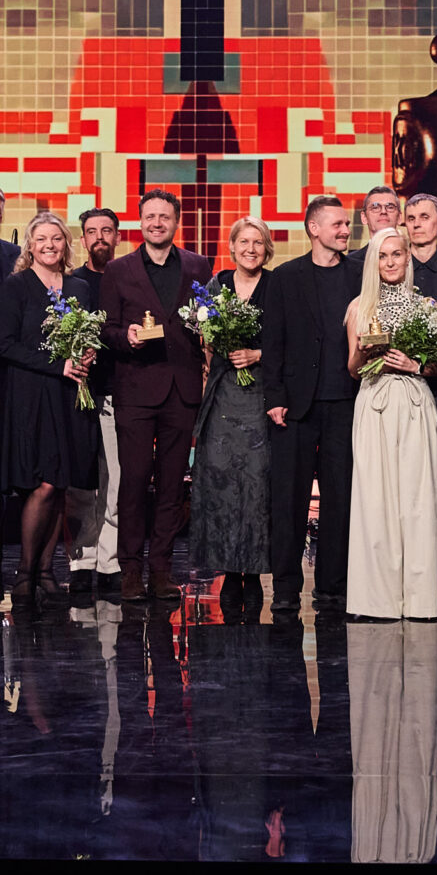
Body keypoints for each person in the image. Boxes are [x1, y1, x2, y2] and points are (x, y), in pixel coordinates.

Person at [99, 189, 212, 599]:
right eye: (150, 216)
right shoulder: (118, 270)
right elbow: (106, 328)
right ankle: (130, 569)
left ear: (176, 222)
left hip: (182, 390)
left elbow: (207, 319)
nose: (157, 223)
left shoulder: (199, 265)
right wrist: (125, 337)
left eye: (164, 217)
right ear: (140, 221)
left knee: (171, 485)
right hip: (135, 388)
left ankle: (161, 568)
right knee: (133, 482)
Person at [0, 212, 100, 606]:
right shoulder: (16, 286)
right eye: (41, 239)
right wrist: (58, 365)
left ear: (66, 244)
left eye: (56, 238)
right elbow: (6, 345)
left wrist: (88, 352)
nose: (49, 245)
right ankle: (25, 571)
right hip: (32, 394)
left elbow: (87, 332)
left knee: (62, 484)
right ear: (30, 245)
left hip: (70, 395)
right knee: (43, 484)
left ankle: (46, 571)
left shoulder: (79, 287)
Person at [263, 196, 361, 612]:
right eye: (337, 224)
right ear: (313, 228)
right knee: (289, 499)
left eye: (346, 224)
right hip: (295, 407)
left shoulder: (360, 274)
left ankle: (332, 586)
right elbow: (273, 340)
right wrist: (274, 397)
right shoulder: (286, 277)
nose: (345, 231)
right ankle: (285, 588)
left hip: (346, 403)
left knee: (340, 498)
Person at [346, 227, 437, 620]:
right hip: (375, 402)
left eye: (397, 254)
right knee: (376, 500)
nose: (390, 262)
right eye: (382, 256)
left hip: (416, 402)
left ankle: (421, 600)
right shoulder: (360, 307)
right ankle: (378, 601)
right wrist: (364, 352)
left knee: (419, 501)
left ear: (408, 257)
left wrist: (415, 365)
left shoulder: (427, 307)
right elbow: (352, 369)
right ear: (373, 261)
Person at [189, 216, 273, 593]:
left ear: (266, 248)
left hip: (259, 397)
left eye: (258, 242)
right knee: (220, 483)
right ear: (232, 247)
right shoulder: (217, 284)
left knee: (255, 485)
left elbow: (291, 339)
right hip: (222, 395)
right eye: (244, 242)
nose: (250, 249)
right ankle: (226, 570)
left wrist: (258, 354)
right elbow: (204, 337)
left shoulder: (277, 285)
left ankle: (252, 573)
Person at [68, 208, 124, 598]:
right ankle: (81, 561)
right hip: (76, 393)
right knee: (80, 484)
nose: (99, 237)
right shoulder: (72, 284)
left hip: (117, 392)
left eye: (107, 230)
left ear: (118, 236)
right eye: (92, 231)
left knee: (115, 481)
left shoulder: (127, 279)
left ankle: (109, 561)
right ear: (83, 238)